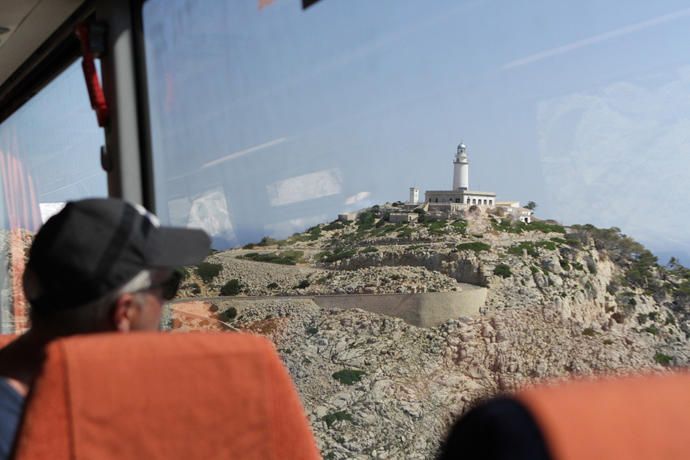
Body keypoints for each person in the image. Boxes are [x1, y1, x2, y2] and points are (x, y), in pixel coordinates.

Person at [0, 198, 211, 458]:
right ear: (125, 314)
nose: (167, 303)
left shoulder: (39, 406)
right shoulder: (25, 440)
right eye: (167, 288)